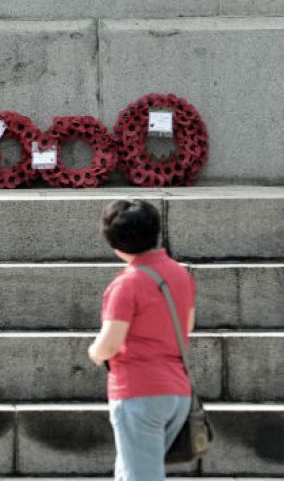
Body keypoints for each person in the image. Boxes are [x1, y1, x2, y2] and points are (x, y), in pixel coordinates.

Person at [87, 200, 195, 481]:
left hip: (139, 391)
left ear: (114, 242)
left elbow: (110, 342)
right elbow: (188, 325)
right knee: (130, 470)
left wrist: (95, 352)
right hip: (177, 391)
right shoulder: (179, 274)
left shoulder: (127, 284)